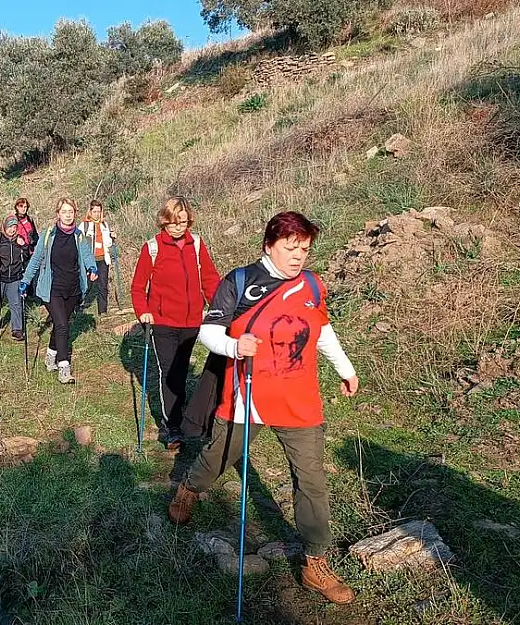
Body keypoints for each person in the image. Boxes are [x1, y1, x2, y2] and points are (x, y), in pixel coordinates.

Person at [167, 211, 360, 605]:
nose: (298, 257)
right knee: (219, 455)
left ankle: (315, 562)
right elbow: (209, 331)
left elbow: (320, 330)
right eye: (291, 248)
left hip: (300, 401)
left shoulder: (311, 284)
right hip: (247, 397)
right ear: (269, 245)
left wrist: (345, 368)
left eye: (304, 249)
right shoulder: (240, 282)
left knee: (312, 481)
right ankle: (190, 488)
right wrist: (234, 346)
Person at [130, 197, 221, 448]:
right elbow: (138, 287)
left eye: (182, 222)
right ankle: (172, 427)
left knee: (181, 371)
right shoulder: (152, 248)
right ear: (163, 221)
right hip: (162, 323)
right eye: (172, 222)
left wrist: (220, 305)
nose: (178, 227)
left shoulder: (197, 244)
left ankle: (187, 417)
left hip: (191, 322)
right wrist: (143, 311)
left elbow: (210, 280)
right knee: (169, 372)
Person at [20, 198, 98, 384]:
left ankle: (51, 353)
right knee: (62, 324)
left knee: (60, 324)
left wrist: (92, 268)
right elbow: (36, 260)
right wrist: (25, 281)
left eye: (71, 212)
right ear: (58, 214)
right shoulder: (48, 235)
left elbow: (87, 256)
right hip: (52, 288)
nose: (68, 215)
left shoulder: (79, 236)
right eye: (64, 212)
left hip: (73, 288)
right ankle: (64, 367)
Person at [0, 215, 32, 340]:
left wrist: (24, 246)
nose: (12, 230)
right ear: (4, 227)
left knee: (16, 303)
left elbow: (26, 257)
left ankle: (17, 329)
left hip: (15, 277)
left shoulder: (20, 239)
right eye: (10, 227)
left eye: (14, 227)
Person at [82, 199, 117, 316]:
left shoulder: (104, 224)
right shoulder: (84, 225)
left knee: (103, 286)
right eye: (95, 211)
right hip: (89, 261)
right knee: (87, 286)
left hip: (103, 259)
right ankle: (77, 307)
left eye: (99, 211)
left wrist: (112, 237)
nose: (97, 214)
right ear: (90, 212)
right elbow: (79, 242)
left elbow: (109, 243)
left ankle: (103, 311)